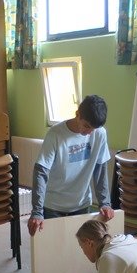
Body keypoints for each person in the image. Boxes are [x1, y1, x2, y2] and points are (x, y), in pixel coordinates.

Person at [27, 95, 115, 236]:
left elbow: (100, 169)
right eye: (86, 126)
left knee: (81, 247)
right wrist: (37, 211)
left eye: (93, 129)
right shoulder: (55, 134)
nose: (89, 132)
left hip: (82, 204)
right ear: (77, 114)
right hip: (53, 205)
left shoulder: (100, 133)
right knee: (53, 247)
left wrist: (105, 203)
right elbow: (41, 172)